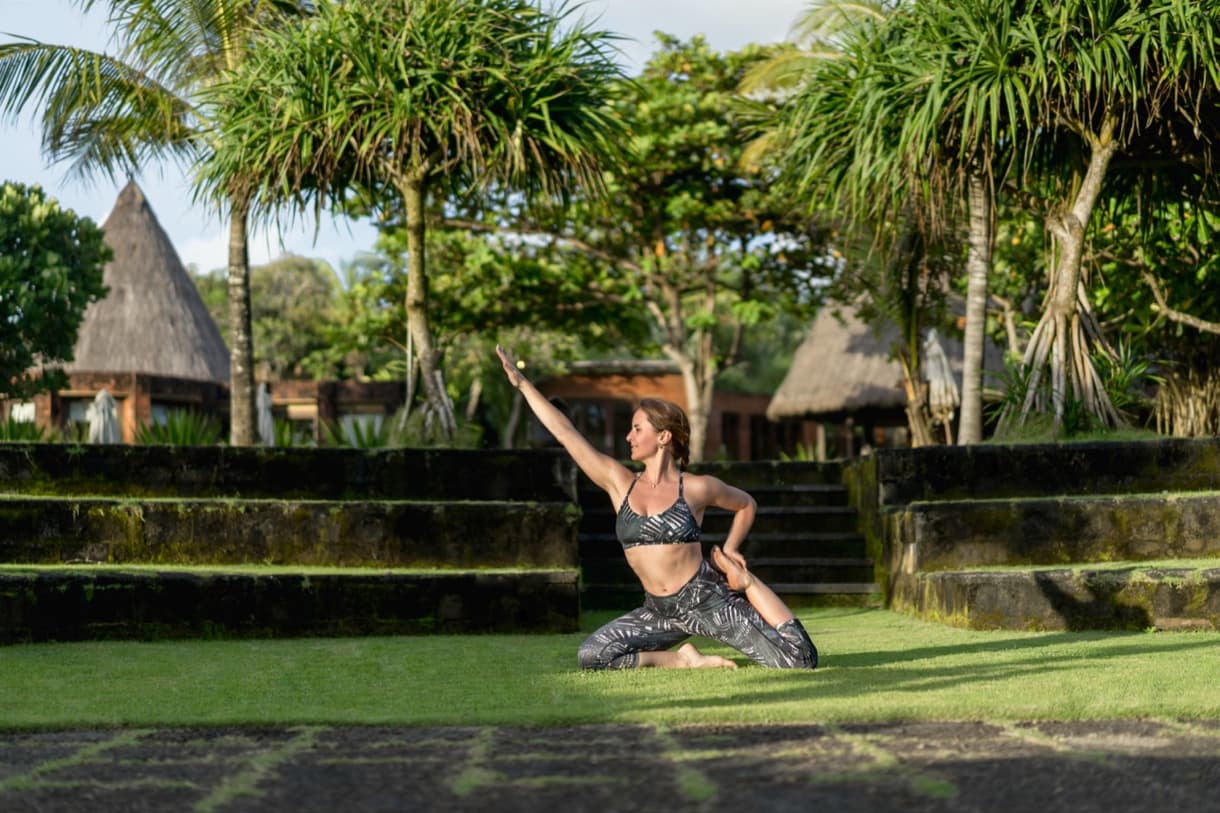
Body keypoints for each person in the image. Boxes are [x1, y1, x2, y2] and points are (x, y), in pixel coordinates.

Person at [496, 345, 817, 670]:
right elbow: (566, 433)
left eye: (637, 429)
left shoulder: (696, 487)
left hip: (706, 601)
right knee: (592, 656)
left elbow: (746, 504)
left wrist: (732, 549)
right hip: (659, 611)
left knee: (800, 659)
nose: (628, 436)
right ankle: (682, 660)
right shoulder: (620, 483)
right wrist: (522, 383)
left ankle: (747, 583)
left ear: (663, 437)